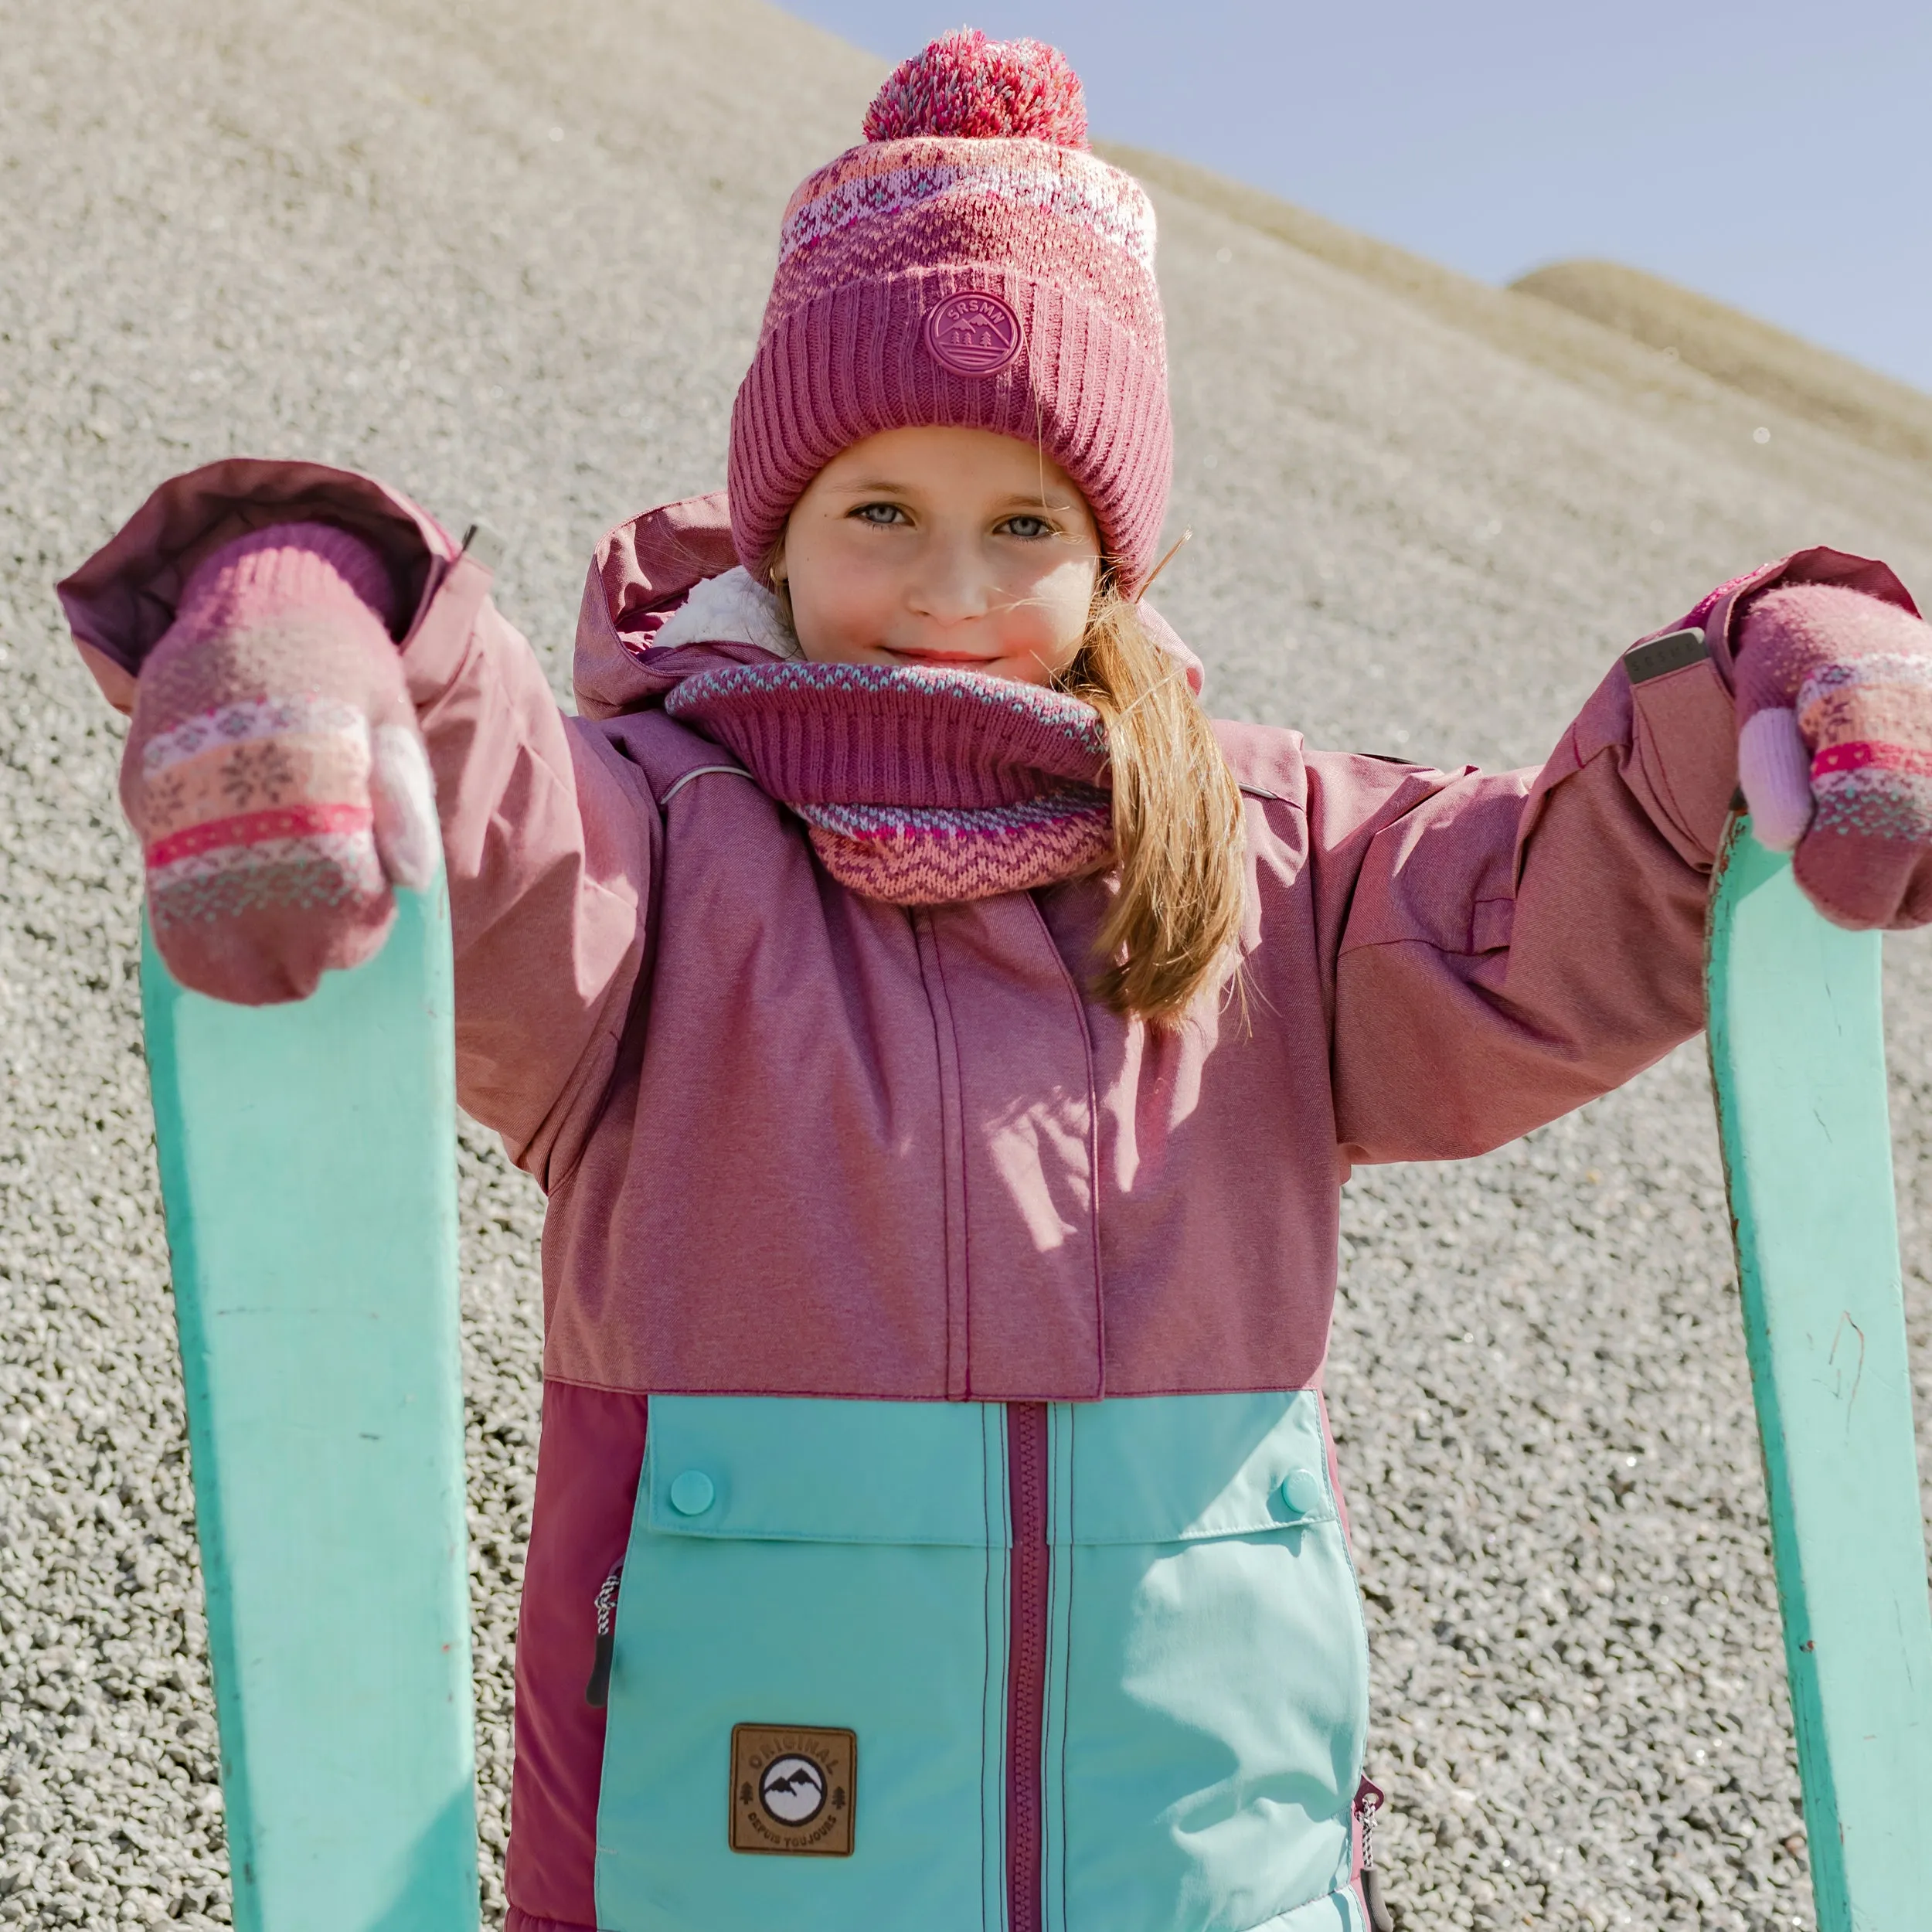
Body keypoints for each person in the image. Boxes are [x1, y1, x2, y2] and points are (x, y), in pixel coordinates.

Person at [57, 29, 1932, 1932]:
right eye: (880, 509)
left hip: (1208, 1864)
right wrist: (306, 602)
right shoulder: (665, 841)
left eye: (1025, 522)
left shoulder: (1263, 855)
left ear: (1110, 562)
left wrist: (1773, 667)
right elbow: (496, 828)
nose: (953, 587)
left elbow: (1542, 901)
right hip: (727, 1852)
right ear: (775, 524)